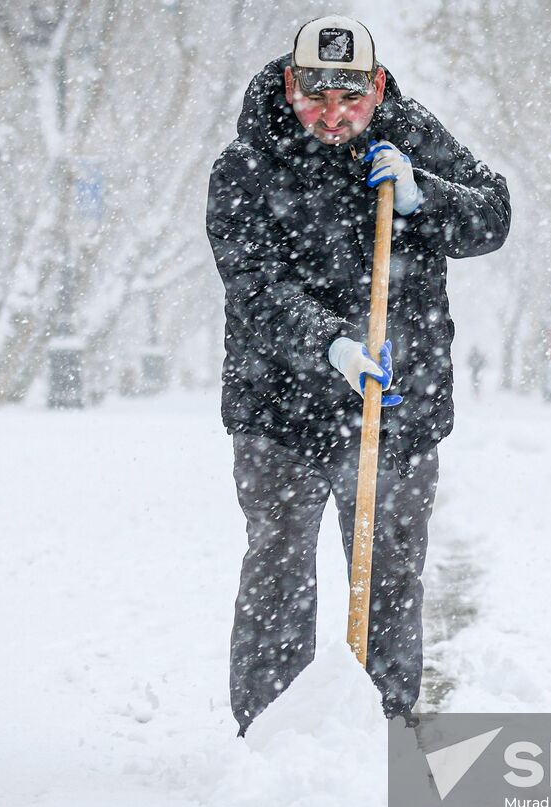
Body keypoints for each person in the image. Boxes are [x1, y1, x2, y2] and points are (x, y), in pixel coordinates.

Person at [206, 15, 510, 736]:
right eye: (317, 100)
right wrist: (330, 344)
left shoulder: (412, 135)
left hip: (397, 407)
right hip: (277, 409)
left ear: (376, 87)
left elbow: (493, 215)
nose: (335, 118)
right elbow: (253, 286)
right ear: (290, 83)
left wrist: (422, 195)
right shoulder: (245, 167)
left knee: (389, 579)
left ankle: (387, 734)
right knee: (278, 572)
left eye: (352, 101)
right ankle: (270, 738)